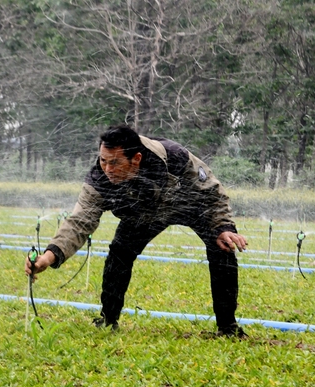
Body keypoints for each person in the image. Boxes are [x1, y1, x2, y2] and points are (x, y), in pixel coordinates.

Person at [26, 125, 249, 335]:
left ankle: (227, 326)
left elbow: (213, 192)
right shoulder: (99, 179)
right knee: (119, 253)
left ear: (136, 159)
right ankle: (108, 319)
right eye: (103, 161)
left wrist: (223, 226)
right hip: (143, 213)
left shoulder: (175, 157)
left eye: (114, 163)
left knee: (223, 246)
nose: (107, 170)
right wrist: (49, 256)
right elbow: (79, 222)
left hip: (188, 205)